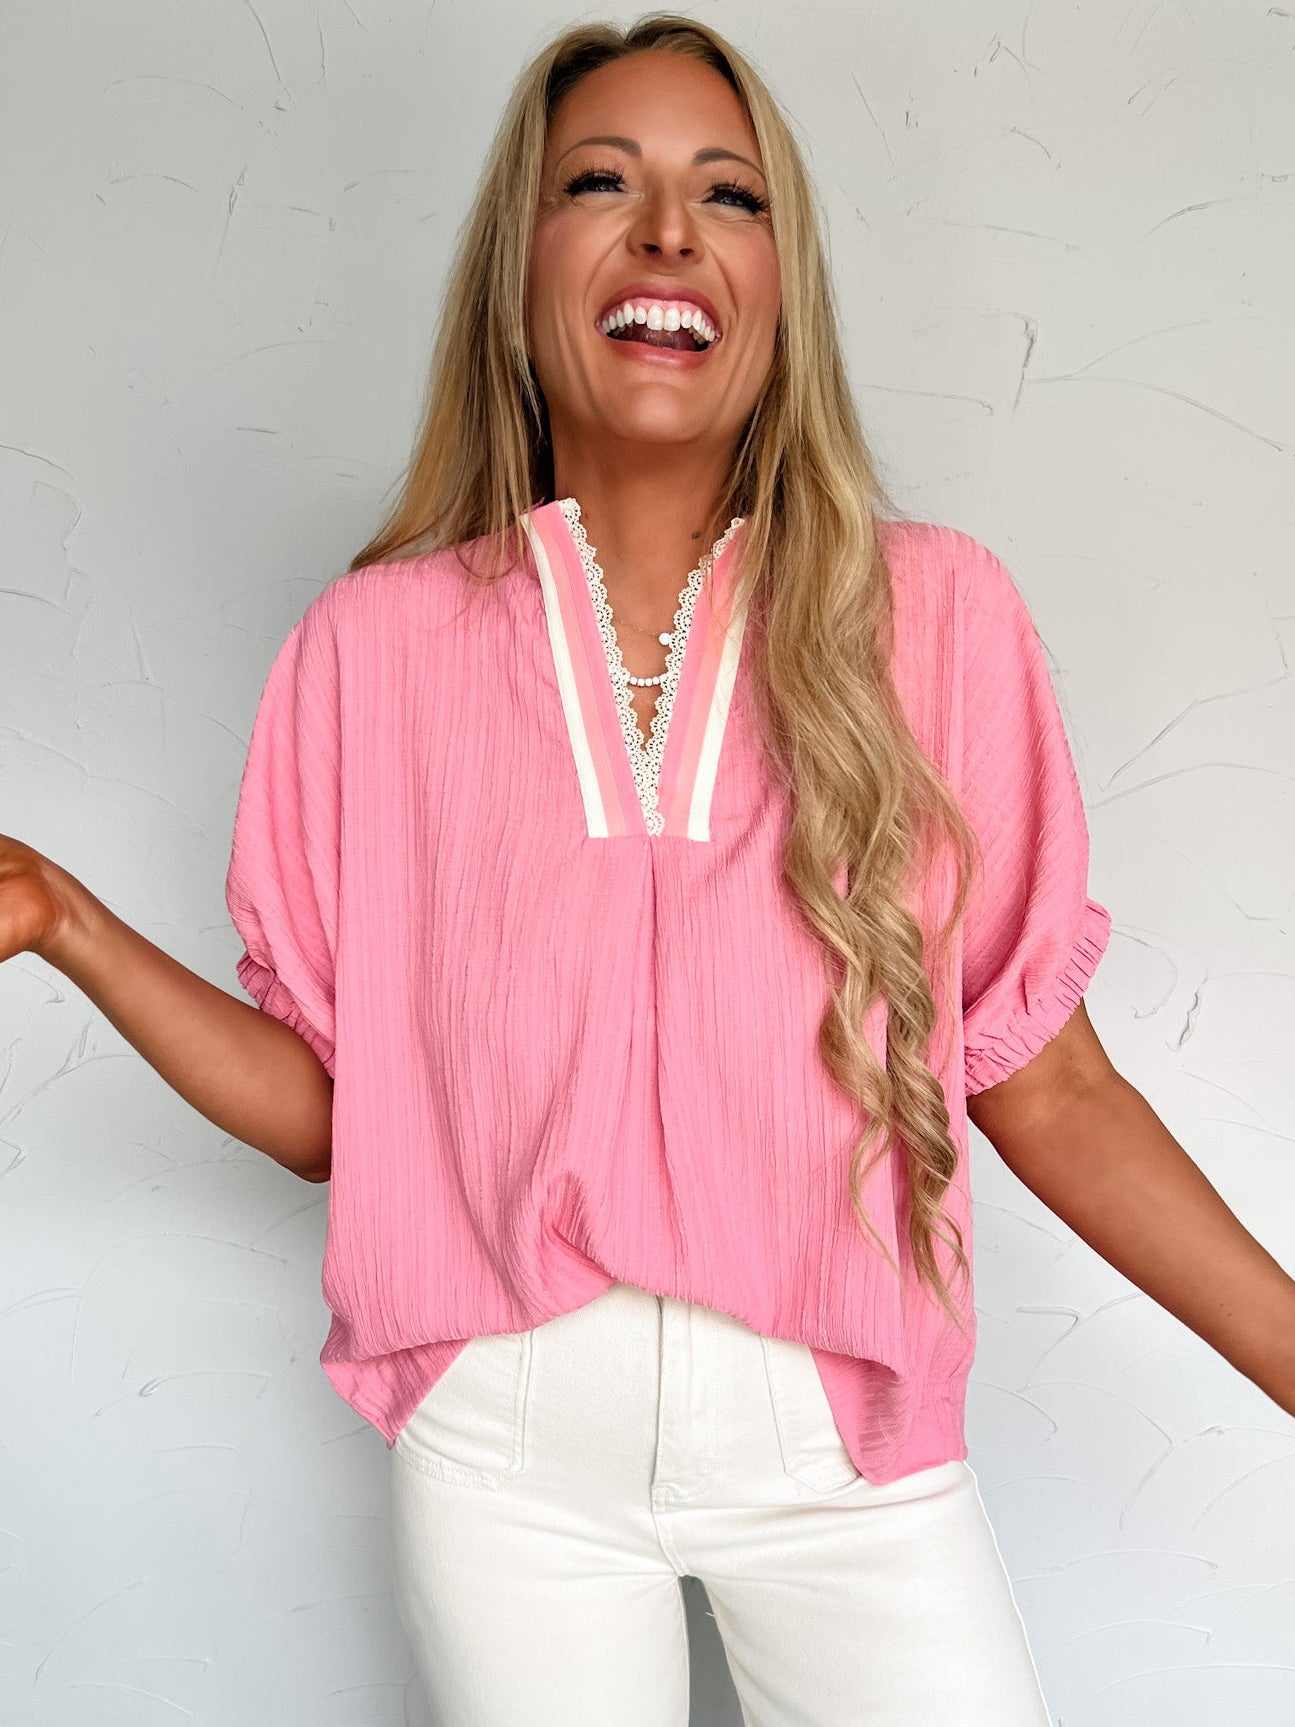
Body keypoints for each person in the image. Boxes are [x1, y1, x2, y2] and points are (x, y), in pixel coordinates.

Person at [4, 12, 1294, 1725]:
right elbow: (337, 1113)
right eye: (600, 183)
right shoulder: (368, 653)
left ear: (781, 285)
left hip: (841, 1447)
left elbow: (1044, 1082)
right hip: (508, 1463)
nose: (670, 231)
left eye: (729, 194)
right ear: (519, 274)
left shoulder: (938, 618)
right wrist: (66, 920)